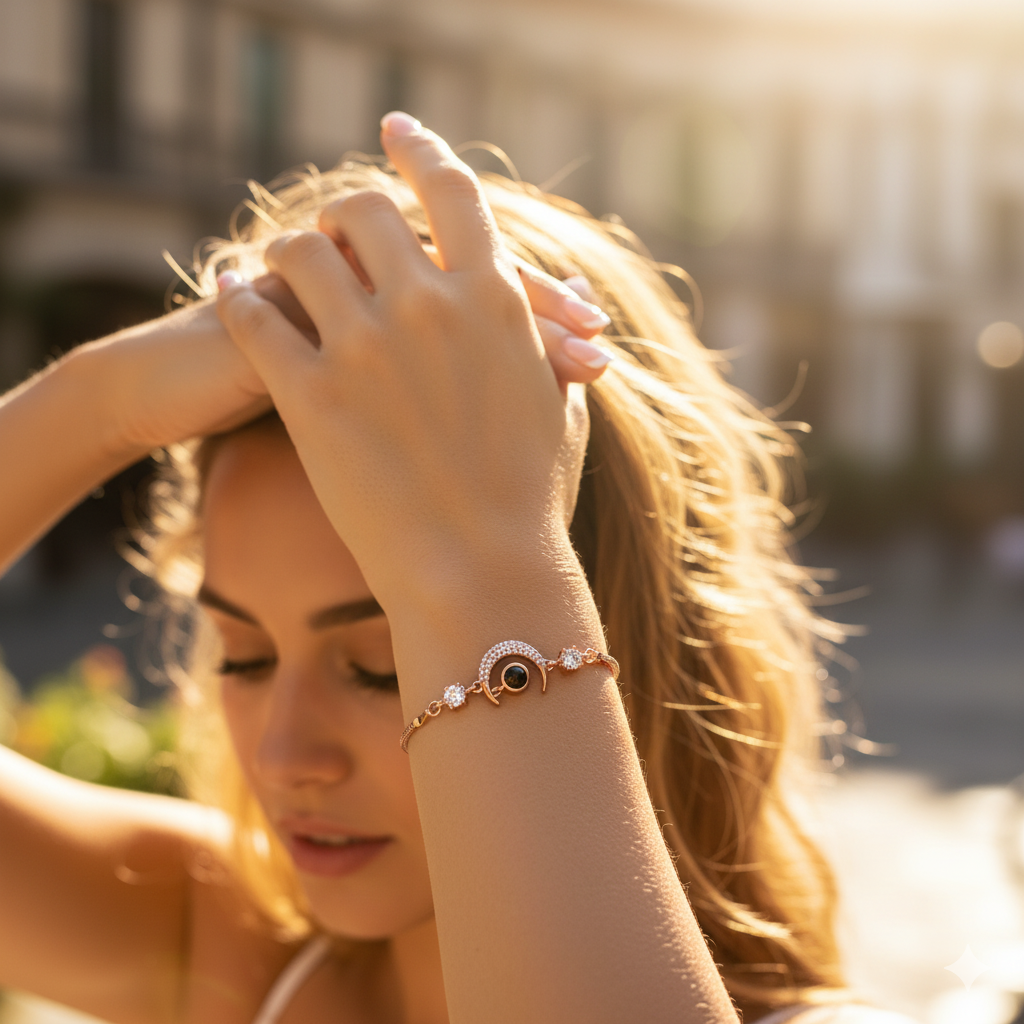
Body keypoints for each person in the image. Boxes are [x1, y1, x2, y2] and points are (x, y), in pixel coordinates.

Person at [0, 113, 919, 1024]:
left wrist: (489, 569)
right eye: (244, 654)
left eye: (386, 664)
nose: (285, 757)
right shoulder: (226, 952)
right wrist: (103, 396)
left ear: (616, 630)